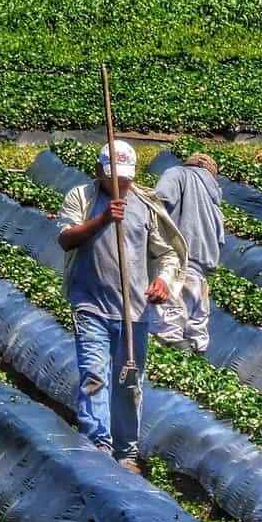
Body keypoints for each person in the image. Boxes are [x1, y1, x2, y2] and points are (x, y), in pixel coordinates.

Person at [57, 140, 185, 473]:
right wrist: (101, 220)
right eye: (115, 177)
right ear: (99, 171)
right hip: (91, 306)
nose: (122, 184)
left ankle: (127, 453)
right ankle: (98, 446)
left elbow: (167, 254)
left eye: (127, 178)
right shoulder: (82, 199)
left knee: (129, 384)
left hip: (134, 312)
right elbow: (66, 238)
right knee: (95, 377)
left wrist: (163, 282)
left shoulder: (145, 205)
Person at [150, 152, 225, 353]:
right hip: (201, 276)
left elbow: (159, 199)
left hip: (176, 265)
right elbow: (220, 240)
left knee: (168, 331)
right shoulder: (215, 199)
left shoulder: (178, 174)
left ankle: (172, 376)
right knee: (196, 334)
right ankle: (195, 376)